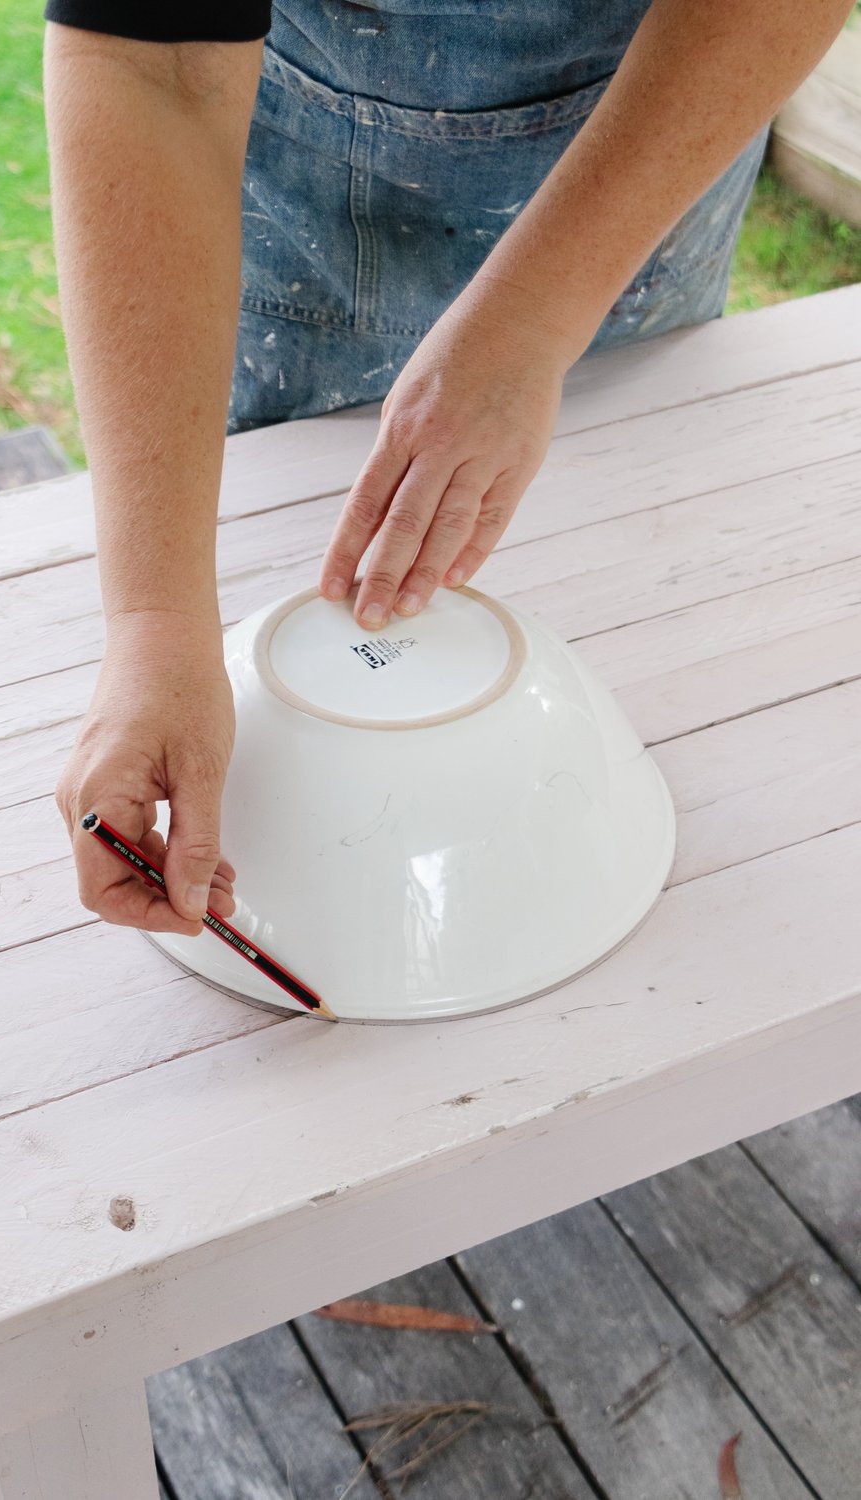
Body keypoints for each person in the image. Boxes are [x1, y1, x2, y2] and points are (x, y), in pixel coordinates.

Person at [44, 0, 851, 941]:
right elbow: (159, 62)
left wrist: (538, 316)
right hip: (298, 160)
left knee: (649, 626)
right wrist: (155, 626)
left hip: (646, 136)